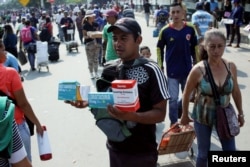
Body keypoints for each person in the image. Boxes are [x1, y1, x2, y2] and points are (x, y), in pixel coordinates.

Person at [66, 17, 169, 167]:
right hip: (115, 148)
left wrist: (132, 116)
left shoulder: (151, 70)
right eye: (114, 38)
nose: (117, 43)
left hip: (142, 152)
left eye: (124, 38)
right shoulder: (109, 69)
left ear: (138, 40)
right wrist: (88, 102)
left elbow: (160, 114)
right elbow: (105, 101)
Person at [180, 29, 245, 167]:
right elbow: (186, 93)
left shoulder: (230, 66)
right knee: (203, 154)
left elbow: (236, 91)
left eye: (220, 46)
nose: (216, 50)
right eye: (212, 46)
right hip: (203, 116)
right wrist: (184, 115)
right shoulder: (198, 70)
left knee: (230, 152)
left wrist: (240, 113)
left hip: (226, 115)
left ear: (225, 46)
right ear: (205, 46)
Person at [0, 39, 44, 163]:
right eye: (3, 50)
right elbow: (23, 104)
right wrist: (38, 124)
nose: (6, 53)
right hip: (15, 126)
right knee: (23, 163)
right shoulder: (10, 73)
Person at [157, 2, 198, 126]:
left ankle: (184, 117)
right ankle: (174, 123)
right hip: (172, 73)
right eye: (173, 12)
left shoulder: (190, 29)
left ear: (183, 13)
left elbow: (195, 48)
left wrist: (198, 63)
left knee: (189, 96)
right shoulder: (165, 31)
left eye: (178, 12)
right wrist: (161, 66)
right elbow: (159, 49)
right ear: (170, 14)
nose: (175, 14)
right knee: (173, 99)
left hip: (188, 70)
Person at [82, 10, 101, 79]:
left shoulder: (95, 24)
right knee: (90, 60)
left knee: (96, 59)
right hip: (89, 44)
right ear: (88, 17)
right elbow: (84, 36)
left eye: (93, 16)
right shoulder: (85, 26)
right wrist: (90, 35)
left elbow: (98, 33)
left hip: (96, 44)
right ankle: (91, 73)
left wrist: (96, 35)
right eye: (92, 16)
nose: (93, 17)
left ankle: (96, 72)